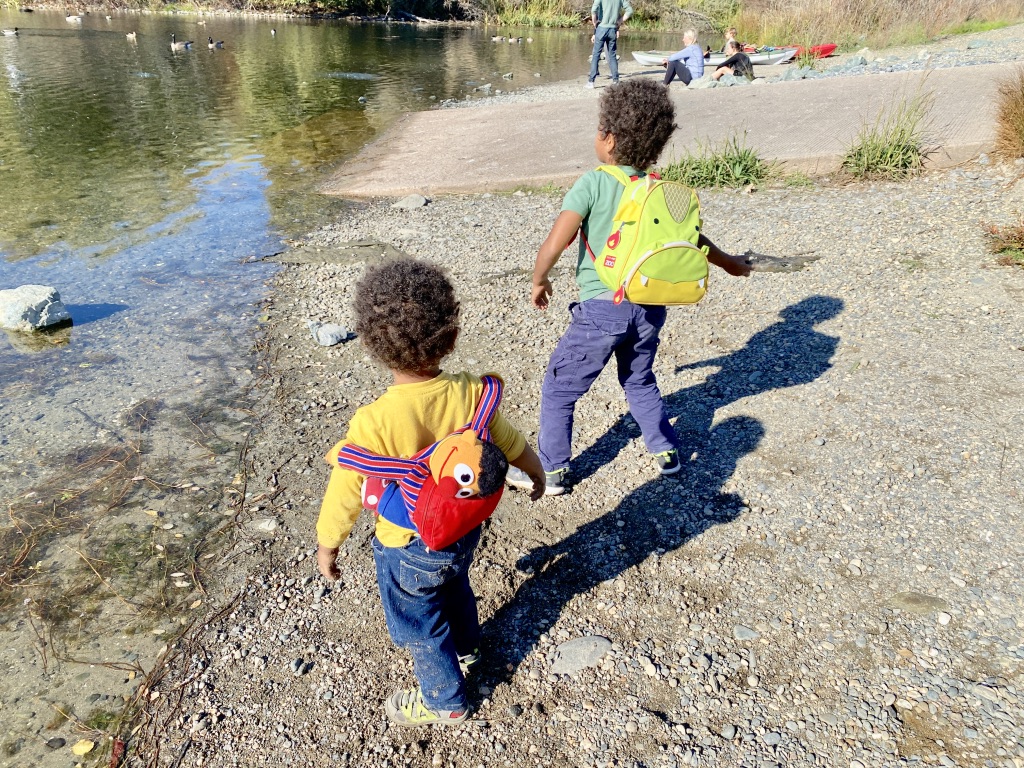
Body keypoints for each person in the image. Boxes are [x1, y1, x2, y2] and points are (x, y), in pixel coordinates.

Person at [316, 257, 545, 726]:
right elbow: (507, 440)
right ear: (452, 336)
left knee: (418, 620)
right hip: (464, 525)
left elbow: (347, 486)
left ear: (374, 350)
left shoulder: (374, 421)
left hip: (408, 543)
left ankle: (445, 700)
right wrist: (536, 471)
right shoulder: (470, 394)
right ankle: (467, 647)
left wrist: (328, 543)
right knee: (454, 580)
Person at [520, 80, 751, 496]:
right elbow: (693, 241)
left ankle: (552, 470)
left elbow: (556, 241)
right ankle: (665, 451)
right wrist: (731, 264)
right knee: (639, 379)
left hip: (601, 310)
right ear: (656, 147)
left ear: (608, 139)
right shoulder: (657, 191)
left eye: (598, 130)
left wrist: (539, 279)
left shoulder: (594, 182)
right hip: (649, 305)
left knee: (560, 387)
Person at [587, 0, 633, 88]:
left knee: (596, 55)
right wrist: (620, 21)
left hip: (601, 28)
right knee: (612, 55)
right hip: (612, 29)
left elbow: (594, 10)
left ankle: (591, 82)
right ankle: (615, 80)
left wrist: (594, 23)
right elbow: (630, 10)